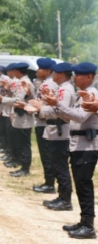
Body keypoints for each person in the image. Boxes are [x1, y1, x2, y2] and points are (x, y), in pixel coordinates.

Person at [44, 62, 98, 239]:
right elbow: (70, 117)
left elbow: (80, 116)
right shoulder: (81, 94)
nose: (75, 78)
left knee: (84, 184)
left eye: (78, 75)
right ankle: (84, 221)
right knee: (80, 184)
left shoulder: (91, 94)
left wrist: (58, 104)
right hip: (78, 144)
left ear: (89, 77)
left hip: (87, 145)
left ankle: (88, 226)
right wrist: (56, 106)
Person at [29, 62, 75, 211]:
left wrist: (40, 107)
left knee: (60, 166)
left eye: (55, 72)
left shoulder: (65, 90)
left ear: (61, 74)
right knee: (57, 165)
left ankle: (65, 200)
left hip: (60, 131)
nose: (52, 75)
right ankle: (62, 197)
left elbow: (60, 111)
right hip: (55, 130)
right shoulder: (62, 88)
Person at [29, 58, 59, 194]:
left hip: (45, 123)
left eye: (40, 68)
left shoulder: (48, 84)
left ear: (47, 71)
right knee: (48, 154)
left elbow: (45, 105)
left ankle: (49, 183)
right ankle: (49, 182)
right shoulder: (49, 83)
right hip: (46, 122)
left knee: (46, 154)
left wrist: (36, 109)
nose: (37, 71)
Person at [2, 62, 35, 177]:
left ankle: (25, 168)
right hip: (20, 117)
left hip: (24, 117)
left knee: (24, 144)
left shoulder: (25, 83)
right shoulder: (22, 81)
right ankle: (22, 165)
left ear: (17, 71)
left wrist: (3, 99)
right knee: (19, 142)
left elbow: (18, 99)